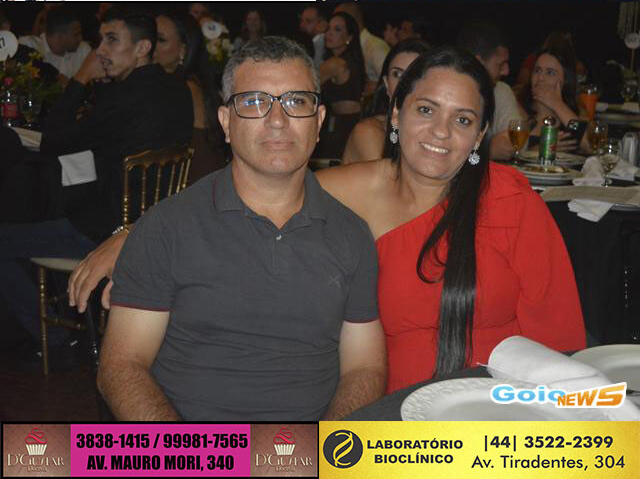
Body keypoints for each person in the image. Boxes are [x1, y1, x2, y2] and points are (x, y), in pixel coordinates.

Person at [70, 47, 585, 398]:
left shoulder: (510, 200)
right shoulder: (348, 189)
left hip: (497, 409)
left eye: (463, 120)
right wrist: (133, 235)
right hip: (390, 416)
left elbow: (558, 337)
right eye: (427, 110)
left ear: (479, 135)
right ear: (396, 116)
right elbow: (251, 187)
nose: (441, 133)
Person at [91, 36, 385, 421]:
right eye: (254, 102)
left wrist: (326, 447)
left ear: (318, 122)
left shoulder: (351, 234)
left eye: (296, 102)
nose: (277, 120)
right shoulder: (167, 227)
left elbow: (365, 368)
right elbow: (121, 366)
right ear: (226, 122)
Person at [0, 7, 193, 355]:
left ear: (142, 48)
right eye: (100, 39)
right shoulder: (177, 90)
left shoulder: (126, 97)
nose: (99, 50)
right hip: (158, 224)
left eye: (111, 40)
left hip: (109, 232)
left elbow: (52, 143)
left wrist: (80, 78)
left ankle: (57, 340)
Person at [153, 11, 227, 181]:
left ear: (183, 51)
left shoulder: (183, 88)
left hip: (193, 184)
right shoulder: (195, 83)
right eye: (150, 37)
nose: (150, 46)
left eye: (161, 40)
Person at [342, 39, 430, 164]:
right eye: (397, 74)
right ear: (387, 84)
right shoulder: (369, 132)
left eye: (416, 75)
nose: (404, 83)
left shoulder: (436, 133)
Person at [457, 21, 528, 161]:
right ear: (478, 63)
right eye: (500, 64)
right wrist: (486, 150)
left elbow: (519, 143)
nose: (506, 71)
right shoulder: (447, 94)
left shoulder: (500, 90)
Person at [518, 46, 590, 153]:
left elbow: (591, 146)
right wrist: (539, 150)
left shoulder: (572, 117)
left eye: (550, 73)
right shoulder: (518, 110)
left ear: (565, 80)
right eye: (537, 70)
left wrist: (557, 104)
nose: (540, 78)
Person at [315, 11, 366, 159]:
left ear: (349, 37)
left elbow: (305, 83)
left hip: (343, 125)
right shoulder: (351, 60)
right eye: (328, 29)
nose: (329, 33)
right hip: (351, 121)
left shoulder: (336, 63)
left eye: (337, 29)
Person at [19, 5, 91, 79]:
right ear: (60, 36)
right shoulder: (29, 45)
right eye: (76, 34)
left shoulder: (83, 50)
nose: (81, 38)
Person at [333, 3, 389, 95]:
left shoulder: (375, 47)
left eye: (337, 27)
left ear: (350, 20)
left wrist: (378, 87)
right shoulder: (353, 46)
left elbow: (393, 81)